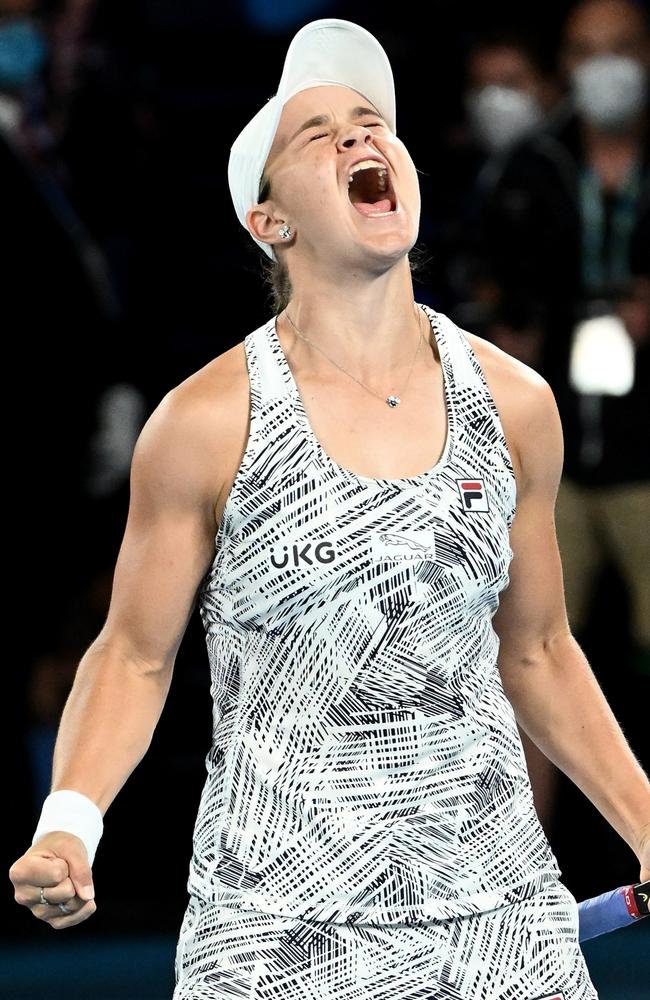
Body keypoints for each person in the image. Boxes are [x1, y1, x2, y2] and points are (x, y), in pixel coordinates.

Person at [8, 17, 650, 1000]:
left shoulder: (515, 404)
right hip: (272, 937)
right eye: (319, 133)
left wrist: (646, 818)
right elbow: (134, 654)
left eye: (371, 124)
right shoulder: (203, 421)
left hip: (497, 927)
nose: (361, 139)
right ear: (270, 221)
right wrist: (70, 819)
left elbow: (536, 651)